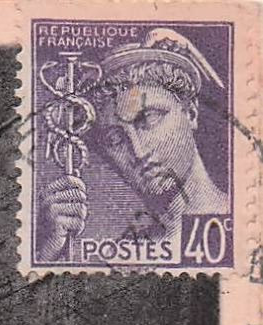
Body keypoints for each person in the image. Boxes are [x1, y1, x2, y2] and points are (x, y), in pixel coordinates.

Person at [39, 27, 227, 261]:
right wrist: (48, 250)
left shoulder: (247, 221)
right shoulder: (119, 257)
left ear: (190, 112)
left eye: (149, 118)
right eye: (115, 139)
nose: (138, 151)